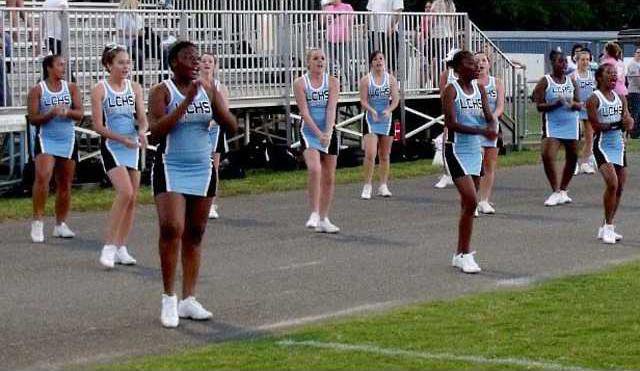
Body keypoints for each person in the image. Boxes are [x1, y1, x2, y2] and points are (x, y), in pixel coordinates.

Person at [148, 41, 237, 328]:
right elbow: (155, 132)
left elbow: (232, 125)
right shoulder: (162, 91)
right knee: (172, 228)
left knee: (195, 233)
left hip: (202, 167)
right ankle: (169, 298)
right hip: (171, 166)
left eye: (198, 58)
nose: (196, 62)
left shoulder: (208, 90)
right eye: (189, 58)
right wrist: (186, 103)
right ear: (174, 63)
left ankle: (189, 299)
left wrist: (215, 102)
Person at [91, 44, 148, 269]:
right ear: (109, 65)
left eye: (128, 63)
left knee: (133, 198)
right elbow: (97, 125)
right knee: (124, 192)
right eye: (121, 63)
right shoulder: (100, 89)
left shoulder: (134, 87)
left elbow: (142, 117)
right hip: (113, 146)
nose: (126, 67)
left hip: (131, 145)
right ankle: (108, 246)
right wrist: (120, 138)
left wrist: (142, 131)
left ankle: (122, 246)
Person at [442, 50, 497, 273]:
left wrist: (493, 129)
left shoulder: (480, 89)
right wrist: (481, 130)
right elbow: (451, 124)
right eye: (469, 63)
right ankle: (465, 254)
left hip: (475, 150)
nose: (475, 66)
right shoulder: (450, 91)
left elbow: (488, 116)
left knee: (468, 206)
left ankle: (460, 253)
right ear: (457, 68)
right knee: (471, 200)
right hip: (455, 149)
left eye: (477, 63)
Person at [26, 54, 83, 243]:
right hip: (47, 138)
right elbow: (33, 118)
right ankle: (38, 221)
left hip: (67, 138)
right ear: (49, 68)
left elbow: (80, 113)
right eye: (59, 65)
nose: (63, 68)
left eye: (64, 65)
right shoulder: (38, 90)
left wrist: (67, 112)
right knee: (43, 176)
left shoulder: (71, 88)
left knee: (65, 183)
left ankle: (60, 224)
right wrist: (50, 114)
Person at [294, 48, 340, 233]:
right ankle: (313, 212)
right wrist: (318, 134)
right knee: (315, 169)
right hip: (310, 131)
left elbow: (331, 109)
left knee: (329, 176)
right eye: (315, 58)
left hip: (328, 130)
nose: (319, 61)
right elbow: (304, 112)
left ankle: (324, 217)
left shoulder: (333, 82)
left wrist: (328, 132)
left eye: (322, 58)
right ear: (308, 63)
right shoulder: (300, 83)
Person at [586, 63, 633, 244]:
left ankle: (606, 225)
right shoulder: (594, 99)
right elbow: (597, 126)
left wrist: (628, 122)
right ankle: (609, 228)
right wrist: (619, 124)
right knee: (612, 184)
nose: (613, 76)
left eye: (615, 74)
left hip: (618, 146)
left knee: (620, 187)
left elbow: (627, 120)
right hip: (603, 146)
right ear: (600, 77)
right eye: (609, 73)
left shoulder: (621, 98)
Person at [532, 50, 581, 207]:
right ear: (552, 63)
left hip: (571, 123)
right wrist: (554, 104)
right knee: (548, 155)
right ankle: (555, 190)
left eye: (565, 62)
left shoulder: (571, 81)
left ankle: (564, 190)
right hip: (552, 124)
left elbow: (578, 104)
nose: (564, 65)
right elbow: (539, 106)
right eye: (560, 61)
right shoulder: (545, 81)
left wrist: (574, 105)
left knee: (573, 156)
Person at [359, 51, 399, 199]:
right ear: (371, 63)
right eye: (375, 59)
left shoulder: (391, 79)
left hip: (386, 119)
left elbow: (395, 99)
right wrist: (371, 110)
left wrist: (388, 110)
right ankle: (367, 185)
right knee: (370, 153)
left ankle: (383, 185)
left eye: (381, 59)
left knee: (385, 154)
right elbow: (363, 100)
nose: (378, 62)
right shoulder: (366, 80)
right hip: (371, 119)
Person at [199, 52, 231, 220]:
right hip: (196, 130)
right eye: (203, 61)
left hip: (214, 130)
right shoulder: (193, 85)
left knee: (213, 167)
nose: (206, 64)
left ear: (214, 65)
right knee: (197, 166)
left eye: (210, 61)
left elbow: (224, 110)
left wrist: (212, 120)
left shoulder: (220, 87)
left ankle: (211, 203)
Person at [475, 51, 504, 214]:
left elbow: (500, 106)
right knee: (475, 165)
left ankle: (484, 200)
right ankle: (471, 199)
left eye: (483, 60)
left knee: (489, 164)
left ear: (489, 63)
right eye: (477, 61)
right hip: (473, 128)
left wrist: (492, 116)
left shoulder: (497, 82)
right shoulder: (469, 83)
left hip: (491, 128)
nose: (481, 64)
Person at [433, 47, 459, 189]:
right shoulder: (445, 75)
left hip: (466, 114)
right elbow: (442, 95)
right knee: (446, 143)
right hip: (451, 113)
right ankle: (446, 173)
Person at [572, 49, 596, 175]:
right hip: (576, 109)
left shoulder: (592, 75)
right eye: (582, 59)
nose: (585, 62)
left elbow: (595, 92)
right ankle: (574, 163)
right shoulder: (573, 75)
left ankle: (585, 163)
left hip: (588, 109)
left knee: (589, 137)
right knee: (575, 137)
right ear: (577, 61)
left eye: (587, 59)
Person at [322, 0, 355, 91]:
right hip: (329, 39)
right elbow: (322, 23)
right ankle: (333, 87)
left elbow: (351, 22)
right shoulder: (327, 8)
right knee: (330, 65)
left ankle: (353, 86)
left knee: (345, 64)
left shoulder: (347, 7)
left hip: (343, 40)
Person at [366, 0, 404, 73]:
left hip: (388, 32)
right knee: (373, 61)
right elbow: (369, 11)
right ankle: (374, 83)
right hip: (374, 31)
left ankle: (390, 83)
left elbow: (398, 11)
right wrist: (367, 28)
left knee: (390, 63)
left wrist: (392, 27)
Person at [115, 0, 145, 84]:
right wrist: (134, 33)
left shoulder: (138, 17)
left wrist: (138, 33)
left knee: (141, 54)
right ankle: (130, 79)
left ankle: (139, 80)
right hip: (123, 45)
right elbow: (120, 32)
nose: (138, 3)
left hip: (135, 44)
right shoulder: (123, 15)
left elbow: (141, 32)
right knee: (139, 54)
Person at [626, 48, 640, 138]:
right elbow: (637, 79)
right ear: (634, 53)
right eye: (638, 52)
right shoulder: (633, 64)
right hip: (634, 91)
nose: (639, 54)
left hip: (638, 91)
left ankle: (637, 132)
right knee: (636, 112)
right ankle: (633, 133)